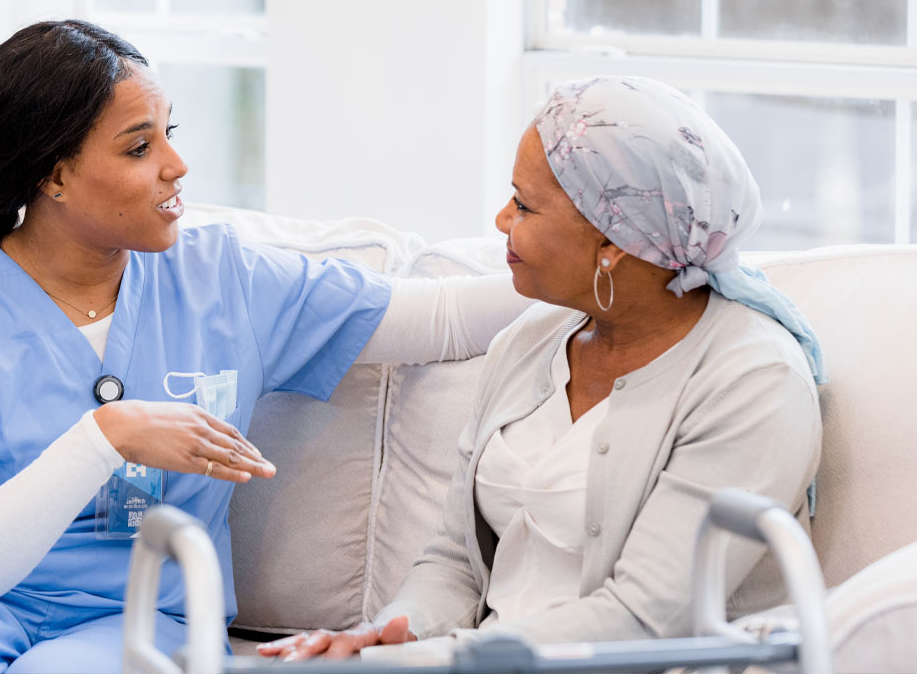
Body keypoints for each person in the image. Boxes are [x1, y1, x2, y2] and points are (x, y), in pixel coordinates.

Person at [0, 20, 529, 674]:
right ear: (54, 176)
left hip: (134, 617)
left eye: (170, 133)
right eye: (139, 146)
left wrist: (600, 256)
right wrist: (107, 435)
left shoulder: (224, 277)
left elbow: (443, 318)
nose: (177, 164)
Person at [258, 75, 826, 661]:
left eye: (524, 205)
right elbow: (455, 558)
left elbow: (650, 618)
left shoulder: (754, 380)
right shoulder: (529, 340)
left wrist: (440, 660)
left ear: (614, 242)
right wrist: (389, 635)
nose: (502, 219)